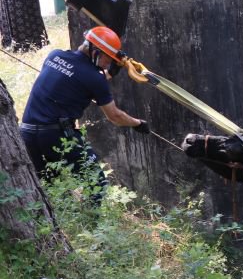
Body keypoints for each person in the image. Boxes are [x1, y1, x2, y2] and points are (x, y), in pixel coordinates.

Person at [19, 26, 148, 198]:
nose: (108, 63)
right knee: (96, 183)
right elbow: (115, 117)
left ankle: (55, 223)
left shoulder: (54, 55)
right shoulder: (95, 78)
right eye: (108, 59)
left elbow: (76, 78)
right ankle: (92, 223)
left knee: (49, 188)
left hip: (26, 133)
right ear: (96, 52)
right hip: (55, 134)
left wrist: (109, 73)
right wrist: (137, 123)